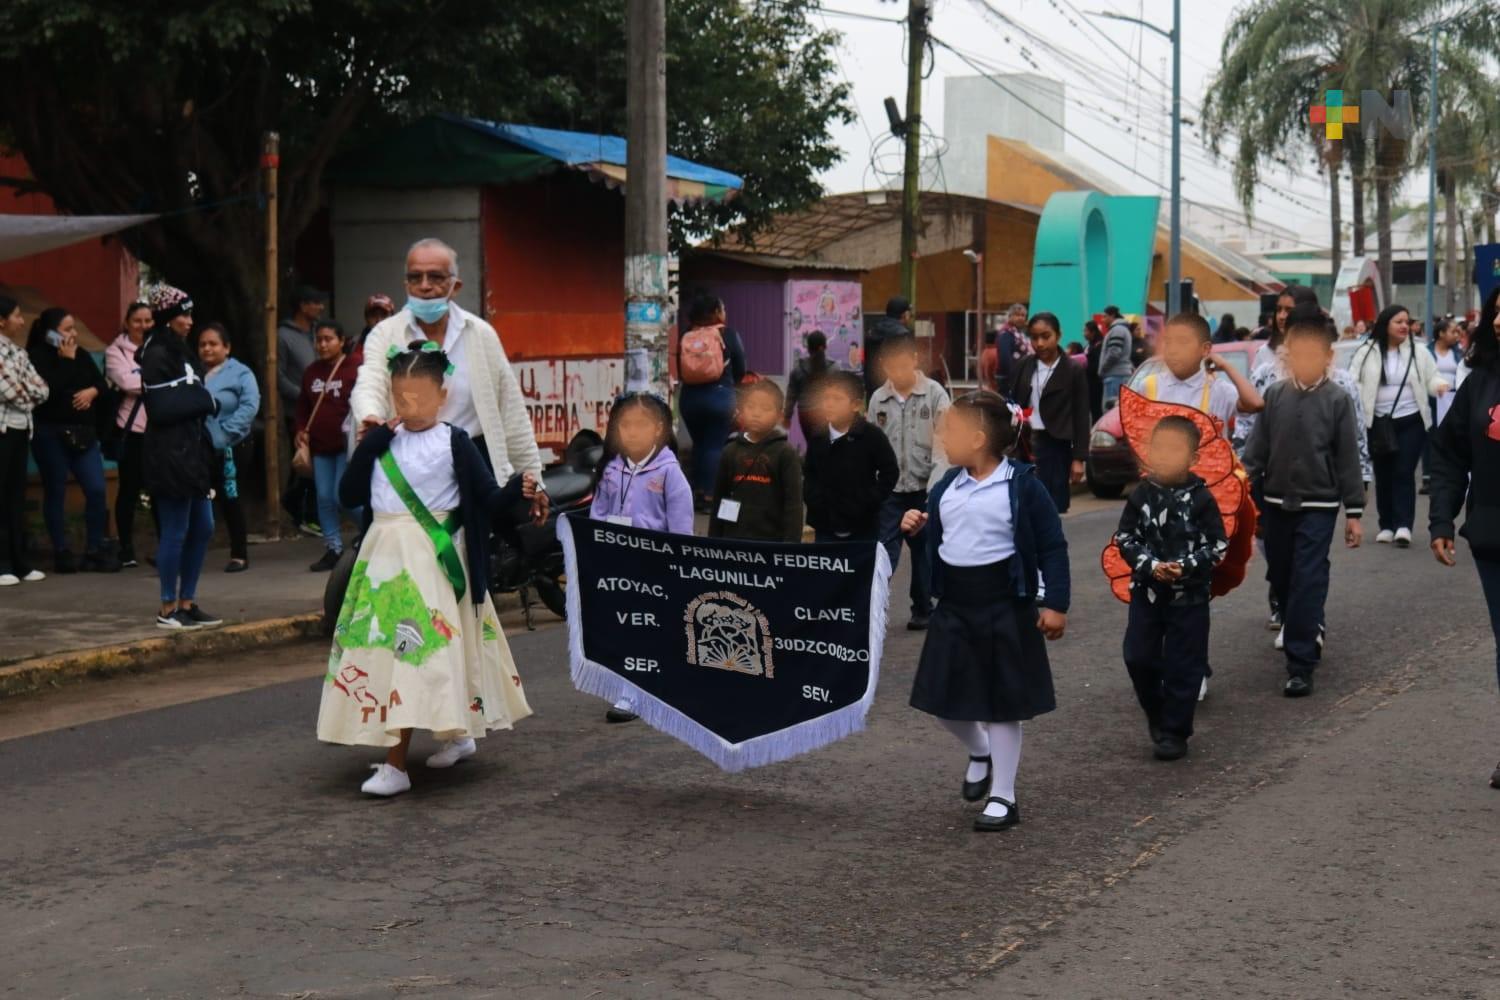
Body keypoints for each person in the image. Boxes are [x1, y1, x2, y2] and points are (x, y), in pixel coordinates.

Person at [319, 342, 535, 797]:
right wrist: (370, 445)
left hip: (432, 562)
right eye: (401, 397)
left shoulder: (455, 442)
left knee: (414, 656)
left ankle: (396, 765)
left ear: (443, 395)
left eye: (419, 396)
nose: (409, 406)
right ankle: (456, 735)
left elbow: (490, 499)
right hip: (382, 561)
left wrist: (520, 487)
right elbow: (349, 494)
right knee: (385, 656)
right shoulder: (382, 441)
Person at [900, 392, 1069, 832]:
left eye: (950, 431)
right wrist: (917, 527)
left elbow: (1052, 546)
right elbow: (943, 537)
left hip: (1004, 604)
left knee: (1002, 706)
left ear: (977, 439)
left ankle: (1003, 796)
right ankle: (980, 750)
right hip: (954, 606)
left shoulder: (1023, 486)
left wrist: (1056, 604)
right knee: (942, 701)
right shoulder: (946, 487)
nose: (942, 437)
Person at [1241, 306, 1366, 697]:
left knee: (1308, 576)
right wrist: (1240, 490)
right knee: (1281, 575)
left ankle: (1300, 664)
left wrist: (1354, 512)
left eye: (1314, 354)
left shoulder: (1337, 399)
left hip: (1320, 504)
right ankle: (1301, 625)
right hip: (1275, 502)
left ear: (1328, 357)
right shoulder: (1275, 395)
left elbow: (1348, 458)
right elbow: (1256, 452)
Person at [353, 239, 544, 492]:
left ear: (455, 286)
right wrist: (370, 414)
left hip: (474, 470)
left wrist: (534, 480)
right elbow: (370, 381)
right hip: (407, 470)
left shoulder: (480, 334)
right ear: (406, 285)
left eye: (436, 277)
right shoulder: (385, 334)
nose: (424, 286)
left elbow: (512, 413)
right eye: (415, 277)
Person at [1114, 416, 1228, 759]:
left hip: (1189, 598)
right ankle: (1158, 713)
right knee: (1138, 657)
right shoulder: (1141, 494)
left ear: (1193, 458)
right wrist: (1151, 566)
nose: (1164, 456)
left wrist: (1186, 566)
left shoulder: (1202, 498)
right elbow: (1125, 538)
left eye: (1175, 450)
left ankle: (1175, 732)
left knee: (1184, 665)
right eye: (1158, 448)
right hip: (1147, 593)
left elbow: (1218, 545)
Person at [1429, 286, 1500, 786]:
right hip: (1494, 534)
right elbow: (1450, 454)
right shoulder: (1479, 383)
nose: (1499, 321)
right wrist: (1441, 520)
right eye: (1497, 311)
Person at [587, 390, 693, 725]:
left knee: (648, 629)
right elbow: (597, 516)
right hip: (618, 567)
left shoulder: (669, 473)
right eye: (625, 425)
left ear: (658, 428)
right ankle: (631, 688)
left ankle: (637, 693)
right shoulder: (610, 470)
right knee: (623, 629)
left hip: (654, 570)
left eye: (641, 425)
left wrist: (676, 569)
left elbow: (681, 530)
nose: (632, 432)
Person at [139, 284, 222, 630]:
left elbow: (192, 394)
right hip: (169, 453)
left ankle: (187, 602)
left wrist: (198, 399)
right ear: (167, 318)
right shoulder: (156, 352)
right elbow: (161, 408)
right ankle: (167, 607)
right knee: (175, 529)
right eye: (183, 315)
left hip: (193, 450)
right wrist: (203, 400)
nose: (190, 321)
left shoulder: (183, 351)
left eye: (190, 314)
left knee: (203, 526)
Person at [26, 307, 119, 573]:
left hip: (83, 433)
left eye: (74, 328)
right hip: (50, 434)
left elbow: (101, 384)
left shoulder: (82, 355)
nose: (73, 334)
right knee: (55, 490)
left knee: (96, 489)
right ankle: (61, 550)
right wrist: (65, 361)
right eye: (67, 329)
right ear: (51, 333)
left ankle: (94, 548)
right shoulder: (36, 357)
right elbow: (47, 392)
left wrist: (92, 391)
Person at [869, 335, 951, 629]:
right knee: (884, 550)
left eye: (904, 366)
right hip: (890, 490)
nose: (899, 373)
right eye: (892, 367)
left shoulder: (935, 394)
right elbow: (871, 447)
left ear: (915, 360)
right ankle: (873, 607)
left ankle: (923, 608)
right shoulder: (878, 399)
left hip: (924, 487)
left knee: (923, 551)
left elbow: (944, 445)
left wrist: (935, 491)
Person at [1352, 304, 1449, 547]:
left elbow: (1431, 377)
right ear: (1386, 325)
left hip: (1411, 420)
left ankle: (1403, 525)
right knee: (1383, 473)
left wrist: (1439, 386)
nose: (1405, 326)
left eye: (1407, 321)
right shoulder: (1367, 351)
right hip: (1378, 422)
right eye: (1399, 322)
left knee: (1403, 471)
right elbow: (1354, 382)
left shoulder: (1419, 351)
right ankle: (1386, 525)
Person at [1007, 312, 1091, 513]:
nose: (1040, 344)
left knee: (1052, 507)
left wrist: (1079, 458)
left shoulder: (1072, 369)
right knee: (1022, 505)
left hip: (1056, 446)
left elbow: (1081, 415)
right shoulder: (1025, 365)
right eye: (1034, 337)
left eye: (1046, 336)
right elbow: (1014, 402)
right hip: (1025, 444)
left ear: (1058, 335)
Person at [803, 371, 898, 544]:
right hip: (825, 526)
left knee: (862, 562)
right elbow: (810, 473)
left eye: (837, 399)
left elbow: (890, 472)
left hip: (863, 528)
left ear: (856, 405)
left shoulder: (872, 436)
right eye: (826, 398)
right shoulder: (817, 436)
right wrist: (815, 500)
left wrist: (869, 501)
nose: (829, 404)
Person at [298, 320, 360, 571]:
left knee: (341, 496)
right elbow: (303, 406)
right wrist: (300, 430)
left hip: (347, 446)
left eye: (328, 339)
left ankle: (371, 532)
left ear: (341, 341)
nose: (322, 344)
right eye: (319, 339)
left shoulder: (355, 368)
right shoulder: (311, 372)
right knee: (324, 497)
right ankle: (333, 548)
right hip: (320, 447)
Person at [1141, 312, 1262, 440]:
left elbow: (1255, 404)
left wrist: (1226, 366)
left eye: (1182, 342)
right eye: (1168, 342)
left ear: (1205, 349)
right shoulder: (1148, 386)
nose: (1173, 350)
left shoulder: (1218, 390)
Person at [198, 323, 260, 573]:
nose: (207, 349)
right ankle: (185, 552)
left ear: (227, 347)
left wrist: (224, 434)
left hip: (233, 445)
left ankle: (239, 554)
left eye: (213, 344)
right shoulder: (193, 373)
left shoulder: (240, 373)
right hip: (200, 446)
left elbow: (250, 406)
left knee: (230, 497)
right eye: (203, 344)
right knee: (196, 497)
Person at [710, 380, 804, 543]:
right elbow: (719, 498)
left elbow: (793, 506)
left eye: (765, 408)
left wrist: (790, 547)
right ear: (741, 411)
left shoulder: (785, 453)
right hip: (733, 541)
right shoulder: (730, 451)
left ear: (779, 415)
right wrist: (713, 542)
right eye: (751, 407)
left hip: (771, 542)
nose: (756, 413)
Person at [676, 291, 747, 506]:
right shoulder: (728, 334)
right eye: (723, 309)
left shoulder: (686, 335)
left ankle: (697, 492)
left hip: (689, 400)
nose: (725, 312)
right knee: (715, 446)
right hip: (719, 397)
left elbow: (680, 368)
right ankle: (709, 495)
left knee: (700, 445)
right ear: (716, 312)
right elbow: (741, 368)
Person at [0, 296, 48, 586]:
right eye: (17, 315)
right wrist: (27, 392)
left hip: (21, 430)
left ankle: (19, 562)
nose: (21, 321)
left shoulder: (18, 352)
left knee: (16, 496)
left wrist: (25, 392)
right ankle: (2, 563)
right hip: (3, 430)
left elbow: (43, 389)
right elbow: (7, 390)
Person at [105, 301, 156, 567]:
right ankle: (126, 549)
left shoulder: (159, 347)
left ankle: (165, 547)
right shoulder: (115, 351)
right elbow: (127, 382)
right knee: (129, 490)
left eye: (148, 320)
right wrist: (159, 380)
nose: (143, 326)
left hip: (160, 429)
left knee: (160, 490)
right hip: (132, 429)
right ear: (127, 323)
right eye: (137, 321)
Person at [277, 285, 327, 534]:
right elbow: (278, 376)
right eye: (315, 303)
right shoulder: (283, 336)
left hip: (324, 409)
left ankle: (301, 508)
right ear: (302, 305)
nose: (320, 307)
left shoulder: (319, 332)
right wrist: (304, 395)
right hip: (298, 411)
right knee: (305, 461)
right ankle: (303, 511)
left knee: (318, 461)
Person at [784, 331, 832, 444]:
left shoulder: (798, 370)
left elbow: (791, 396)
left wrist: (787, 416)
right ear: (824, 347)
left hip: (805, 414)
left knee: (811, 444)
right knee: (825, 445)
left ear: (808, 348)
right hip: (826, 413)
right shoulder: (833, 369)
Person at [864, 296, 912, 400]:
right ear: (905, 314)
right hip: (895, 388)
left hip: (873, 389)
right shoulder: (902, 335)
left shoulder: (872, 331)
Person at [1098, 306, 1135, 409]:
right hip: (1118, 375)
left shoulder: (1117, 330)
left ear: (1112, 316)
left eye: (1105, 316)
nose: (1103, 320)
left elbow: (1114, 353)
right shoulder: (1122, 330)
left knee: (1111, 410)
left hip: (1115, 376)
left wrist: (1103, 369)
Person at [994, 303, 1032, 389]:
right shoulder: (1006, 333)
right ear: (1010, 316)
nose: (1020, 318)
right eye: (1017, 315)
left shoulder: (1020, 333)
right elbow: (1005, 358)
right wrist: (1014, 377)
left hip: (1021, 377)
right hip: (1009, 379)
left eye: (1023, 315)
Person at [1084, 319, 1105, 420]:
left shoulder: (1098, 345)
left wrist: (1086, 366)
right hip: (1088, 382)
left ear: (1092, 332)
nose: (1084, 333)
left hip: (1096, 382)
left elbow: (1096, 364)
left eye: (1086, 331)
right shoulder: (1088, 345)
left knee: (1096, 409)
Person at [978, 329, 1000, 393]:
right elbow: (997, 373)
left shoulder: (984, 352)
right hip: (996, 390)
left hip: (988, 387)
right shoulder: (996, 353)